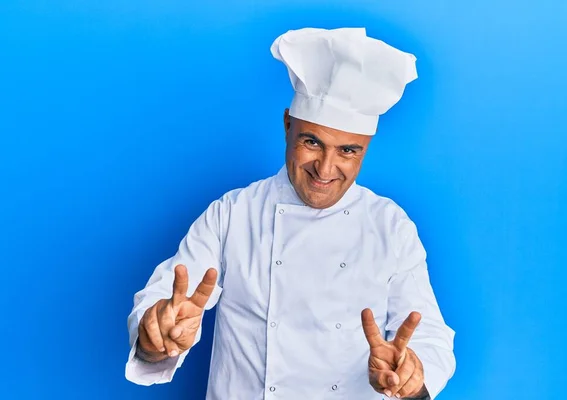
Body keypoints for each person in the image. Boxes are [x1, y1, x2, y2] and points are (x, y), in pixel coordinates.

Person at [125, 27, 456, 399]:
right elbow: (166, 302)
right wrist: (158, 334)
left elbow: (429, 335)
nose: (326, 169)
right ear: (287, 126)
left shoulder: (389, 226)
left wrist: (412, 373)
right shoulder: (233, 214)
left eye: (348, 151)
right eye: (312, 142)